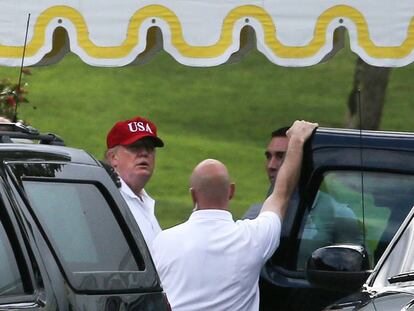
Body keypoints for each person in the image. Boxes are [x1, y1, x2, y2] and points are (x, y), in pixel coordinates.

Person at [151, 120, 318, 311]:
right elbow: (281, 194)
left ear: (193, 195)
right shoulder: (252, 238)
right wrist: (296, 140)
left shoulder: (162, 241)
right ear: (231, 191)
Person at [105, 116, 164, 247]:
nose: (144, 153)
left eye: (150, 148)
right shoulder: (108, 199)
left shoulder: (144, 201)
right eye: (135, 147)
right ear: (113, 157)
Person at [243, 126, 290, 220]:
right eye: (268, 157)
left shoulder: (324, 210)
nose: (271, 166)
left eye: (280, 156)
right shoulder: (256, 214)